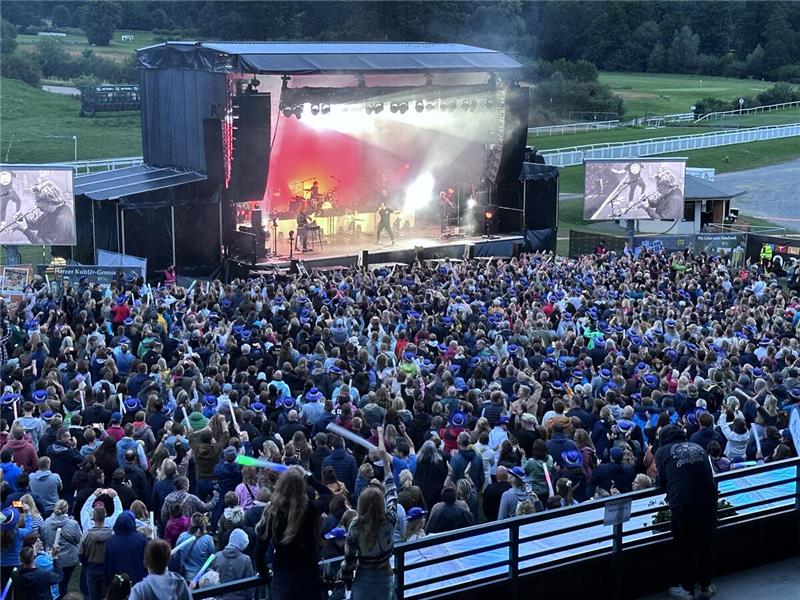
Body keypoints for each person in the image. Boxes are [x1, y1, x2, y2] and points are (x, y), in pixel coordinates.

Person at [655, 425, 717, 600]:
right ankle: (706, 585)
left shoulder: (662, 452)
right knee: (706, 544)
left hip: (683, 504)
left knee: (684, 547)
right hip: (708, 501)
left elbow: (662, 482)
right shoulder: (698, 447)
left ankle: (687, 588)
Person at [339, 426, 397, 600]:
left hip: (364, 578)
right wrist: (386, 464)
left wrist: (346, 581)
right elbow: (391, 489)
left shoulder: (355, 527)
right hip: (385, 575)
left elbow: (349, 562)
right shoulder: (390, 517)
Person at [254, 466, 323, 600]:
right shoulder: (309, 510)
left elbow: (259, 552)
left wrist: (263, 571)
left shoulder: (271, 513)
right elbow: (327, 494)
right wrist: (310, 478)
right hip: (308, 578)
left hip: (283, 579)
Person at [12, 178, 75, 244]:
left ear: (49, 201)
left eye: (38, 201)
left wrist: (25, 230)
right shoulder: (52, 210)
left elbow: (44, 244)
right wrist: (24, 220)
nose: (36, 204)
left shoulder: (61, 222)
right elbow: (38, 224)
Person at [41, 499, 82, 598]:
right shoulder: (73, 524)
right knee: (64, 582)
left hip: (51, 557)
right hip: (69, 560)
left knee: (53, 583)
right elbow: (80, 540)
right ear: (67, 509)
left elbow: (44, 537)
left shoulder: (46, 522)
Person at [78, 504, 114, 600]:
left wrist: (87, 564)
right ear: (105, 516)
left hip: (91, 568)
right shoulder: (112, 535)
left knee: (92, 596)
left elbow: (80, 554)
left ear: (93, 517)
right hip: (106, 569)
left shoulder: (86, 535)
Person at [105, 510, 149, 585]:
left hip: (117, 583)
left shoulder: (110, 542)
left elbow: (107, 564)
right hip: (137, 581)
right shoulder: (141, 540)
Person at [212, 528, 255, 600]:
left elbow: (211, 580)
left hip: (219, 597)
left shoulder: (216, 556)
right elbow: (249, 585)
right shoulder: (245, 560)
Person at [174, 512, 216, 582]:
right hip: (201, 578)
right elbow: (212, 557)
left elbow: (177, 555)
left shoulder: (182, 536)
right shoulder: (208, 539)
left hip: (185, 576)